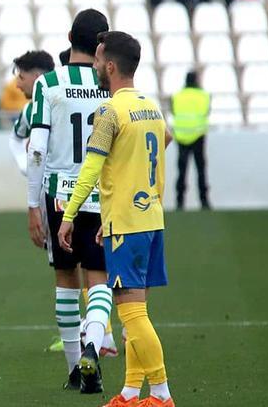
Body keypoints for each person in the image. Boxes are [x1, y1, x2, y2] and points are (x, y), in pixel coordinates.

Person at [59, 31, 175, 407]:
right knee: (134, 311)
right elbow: (167, 138)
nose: (93, 66)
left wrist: (69, 216)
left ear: (109, 66)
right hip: (149, 219)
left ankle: (160, 394)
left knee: (132, 313)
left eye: (96, 60)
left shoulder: (110, 111)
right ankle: (129, 392)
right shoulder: (150, 106)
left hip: (127, 222)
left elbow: (90, 169)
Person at [26, 9, 114, 394]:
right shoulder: (110, 84)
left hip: (59, 194)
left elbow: (37, 151)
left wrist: (33, 205)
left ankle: (75, 366)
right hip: (102, 193)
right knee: (98, 279)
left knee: (65, 278)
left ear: (68, 37)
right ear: (101, 43)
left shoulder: (49, 83)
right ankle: (94, 347)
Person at [9, 50, 55, 176]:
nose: (18, 85)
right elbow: (15, 139)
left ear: (37, 77)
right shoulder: (29, 110)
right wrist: (26, 167)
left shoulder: (64, 105)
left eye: (22, 77)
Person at [172, 71, 211, 210]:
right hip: (198, 135)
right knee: (200, 169)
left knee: (182, 171)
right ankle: (204, 201)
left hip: (181, 136)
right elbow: (206, 112)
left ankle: (179, 202)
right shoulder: (204, 96)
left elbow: (174, 112)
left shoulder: (177, 96)